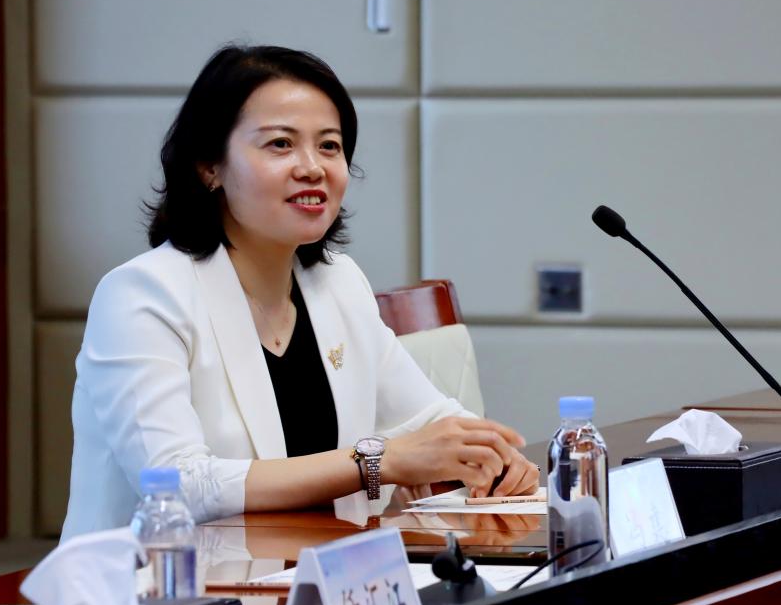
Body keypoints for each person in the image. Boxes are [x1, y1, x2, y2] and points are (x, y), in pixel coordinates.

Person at [61, 45, 538, 539]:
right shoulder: (142, 295)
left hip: (318, 573)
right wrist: (379, 462)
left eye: (329, 146)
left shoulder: (338, 281)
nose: (312, 167)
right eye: (280, 144)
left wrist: (493, 456)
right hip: (161, 580)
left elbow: (427, 419)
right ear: (209, 166)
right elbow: (179, 486)